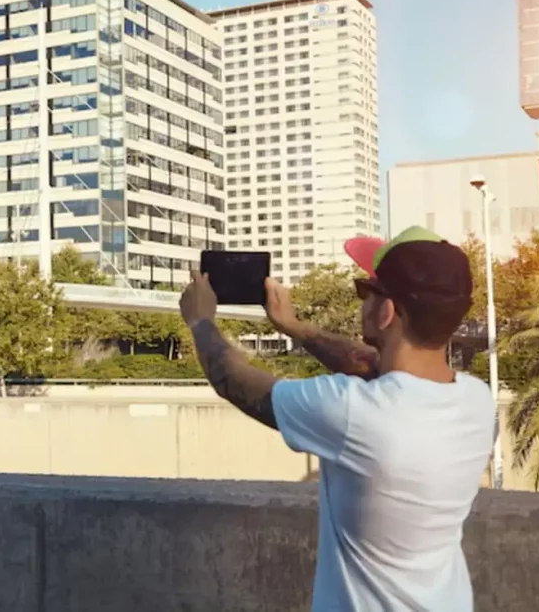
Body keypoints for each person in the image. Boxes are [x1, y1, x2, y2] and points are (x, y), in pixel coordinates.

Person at [179, 226, 496, 612]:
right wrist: (295, 326)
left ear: (387, 311)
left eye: (367, 292)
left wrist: (201, 322)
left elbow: (235, 381)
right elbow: (374, 368)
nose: (362, 301)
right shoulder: (478, 403)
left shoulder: (353, 414)